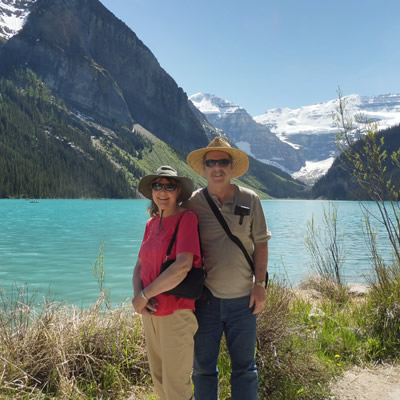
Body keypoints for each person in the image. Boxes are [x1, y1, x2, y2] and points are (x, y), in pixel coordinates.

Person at [184, 137, 271, 400]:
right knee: (202, 370)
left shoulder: (251, 199)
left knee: (245, 369)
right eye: (212, 162)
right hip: (205, 301)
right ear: (205, 168)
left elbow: (261, 245)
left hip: (244, 302)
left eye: (223, 162)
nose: (217, 167)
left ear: (232, 167)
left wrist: (259, 286)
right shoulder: (192, 203)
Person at [131, 165, 201, 400]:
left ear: (178, 191)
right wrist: (138, 298)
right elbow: (139, 266)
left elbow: (183, 266)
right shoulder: (151, 224)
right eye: (157, 186)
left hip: (176, 314)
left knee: (177, 385)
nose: (163, 191)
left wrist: (144, 296)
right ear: (151, 191)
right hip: (150, 313)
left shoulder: (186, 218)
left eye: (169, 186)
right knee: (159, 379)